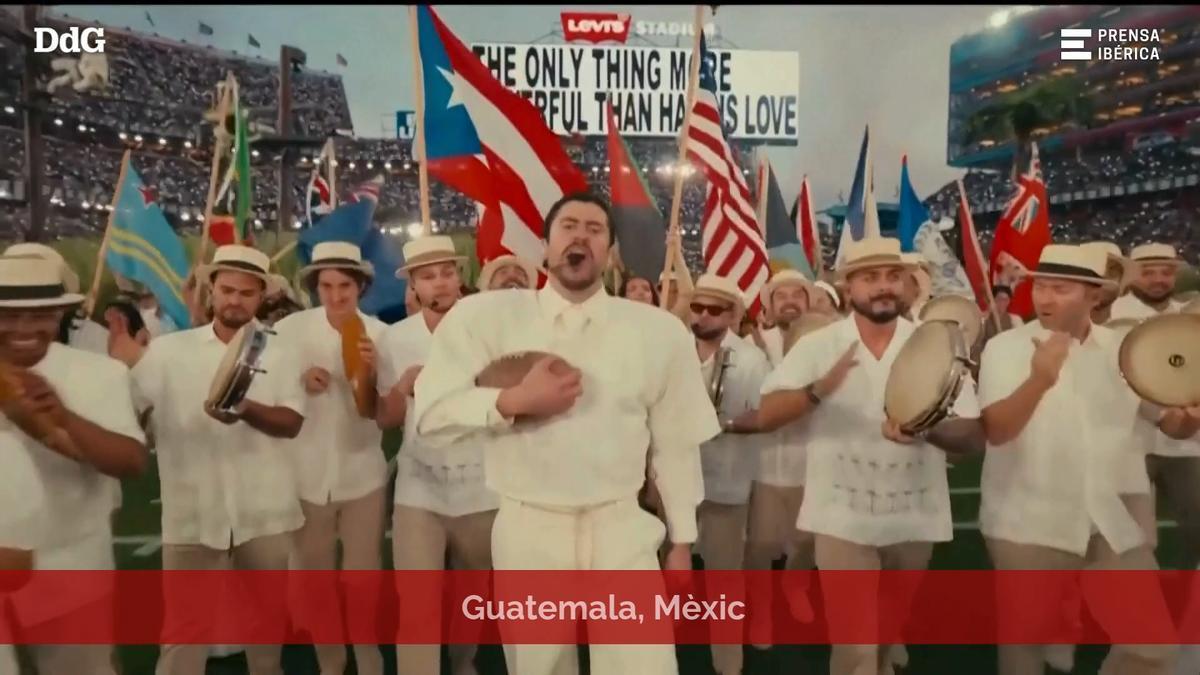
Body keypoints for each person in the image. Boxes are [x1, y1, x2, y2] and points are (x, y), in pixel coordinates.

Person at [413, 192, 719, 674]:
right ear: (544, 245)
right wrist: (511, 402)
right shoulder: (486, 319)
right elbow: (431, 415)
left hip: (622, 525)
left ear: (610, 252)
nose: (581, 236)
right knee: (539, 666)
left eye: (595, 229)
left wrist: (682, 540)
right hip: (528, 524)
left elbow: (675, 444)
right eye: (568, 226)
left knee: (644, 665)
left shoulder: (658, 332)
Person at [756, 237, 985, 675]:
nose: (883, 286)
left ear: (907, 285)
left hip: (915, 512)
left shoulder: (936, 343)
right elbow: (768, 413)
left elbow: (972, 435)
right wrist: (819, 389)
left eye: (892, 276)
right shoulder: (819, 345)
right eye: (870, 277)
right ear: (848, 287)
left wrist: (927, 428)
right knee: (855, 646)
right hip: (841, 515)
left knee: (886, 637)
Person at [977, 244, 1195, 675]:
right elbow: (997, 430)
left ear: (1095, 297)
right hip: (1027, 522)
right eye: (1041, 285)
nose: (1044, 298)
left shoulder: (1126, 349)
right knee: (1023, 652)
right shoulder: (1004, 348)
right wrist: (1040, 379)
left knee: (1152, 649)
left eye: (1060, 288)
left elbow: (1168, 423)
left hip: (1109, 521)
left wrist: (1187, 418)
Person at [109, 244, 307, 675]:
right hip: (192, 512)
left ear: (263, 298)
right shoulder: (167, 352)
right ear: (211, 290)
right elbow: (131, 414)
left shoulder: (280, 349)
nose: (235, 300)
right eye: (227, 290)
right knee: (183, 633)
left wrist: (243, 409)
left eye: (246, 293)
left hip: (265, 512)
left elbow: (292, 422)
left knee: (266, 632)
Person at [0, 255, 147, 675]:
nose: (24, 328)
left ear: (60, 313)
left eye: (38, 315)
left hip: (69, 569)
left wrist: (62, 418)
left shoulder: (97, 373)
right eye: (8, 316)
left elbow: (132, 462)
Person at [376, 235, 499, 675]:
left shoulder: (487, 331)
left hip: (480, 487)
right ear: (413, 285)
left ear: (460, 276)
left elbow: (508, 402)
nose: (441, 283)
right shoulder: (395, 340)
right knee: (417, 601)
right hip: (418, 488)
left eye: (447, 272)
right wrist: (401, 387)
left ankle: (463, 661)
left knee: (472, 595)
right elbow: (385, 418)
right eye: (429, 276)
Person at [271, 242, 387, 675]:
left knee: (362, 577)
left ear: (360, 287)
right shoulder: (290, 332)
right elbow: (268, 386)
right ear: (315, 287)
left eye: (345, 286)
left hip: (363, 476)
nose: (336, 296)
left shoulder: (380, 334)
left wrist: (373, 374)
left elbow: (385, 410)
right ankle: (331, 660)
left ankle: (367, 652)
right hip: (305, 478)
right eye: (327, 286)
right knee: (315, 579)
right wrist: (298, 379)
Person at [687, 273, 771, 675]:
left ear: (732, 314)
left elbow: (767, 413)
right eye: (697, 306)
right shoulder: (673, 351)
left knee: (723, 576)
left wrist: (729, 425)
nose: (704, 315)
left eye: (714, 309)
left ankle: (728, 664)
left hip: (726, 481)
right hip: (673, 483)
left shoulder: (752, 359)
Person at [1110, 243, 1187, 320]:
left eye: (1166, 273)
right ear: (1129, 276)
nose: (1158, 280)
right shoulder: (1111, 314)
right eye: (1147, 273)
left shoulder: (1187, 313)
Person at [756, 269, 812, 367]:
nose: (790, 301)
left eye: (797, 295)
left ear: (808, 303)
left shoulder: (827, 342)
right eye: (781, 296)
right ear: (771, 306)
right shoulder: (754, 344)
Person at [1079, 242, 1128, 325]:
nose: (1102, 280)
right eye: (1093, 272)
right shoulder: (1054, 324)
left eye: (1111, 272)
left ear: (1121, 278)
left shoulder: (1137, 321)